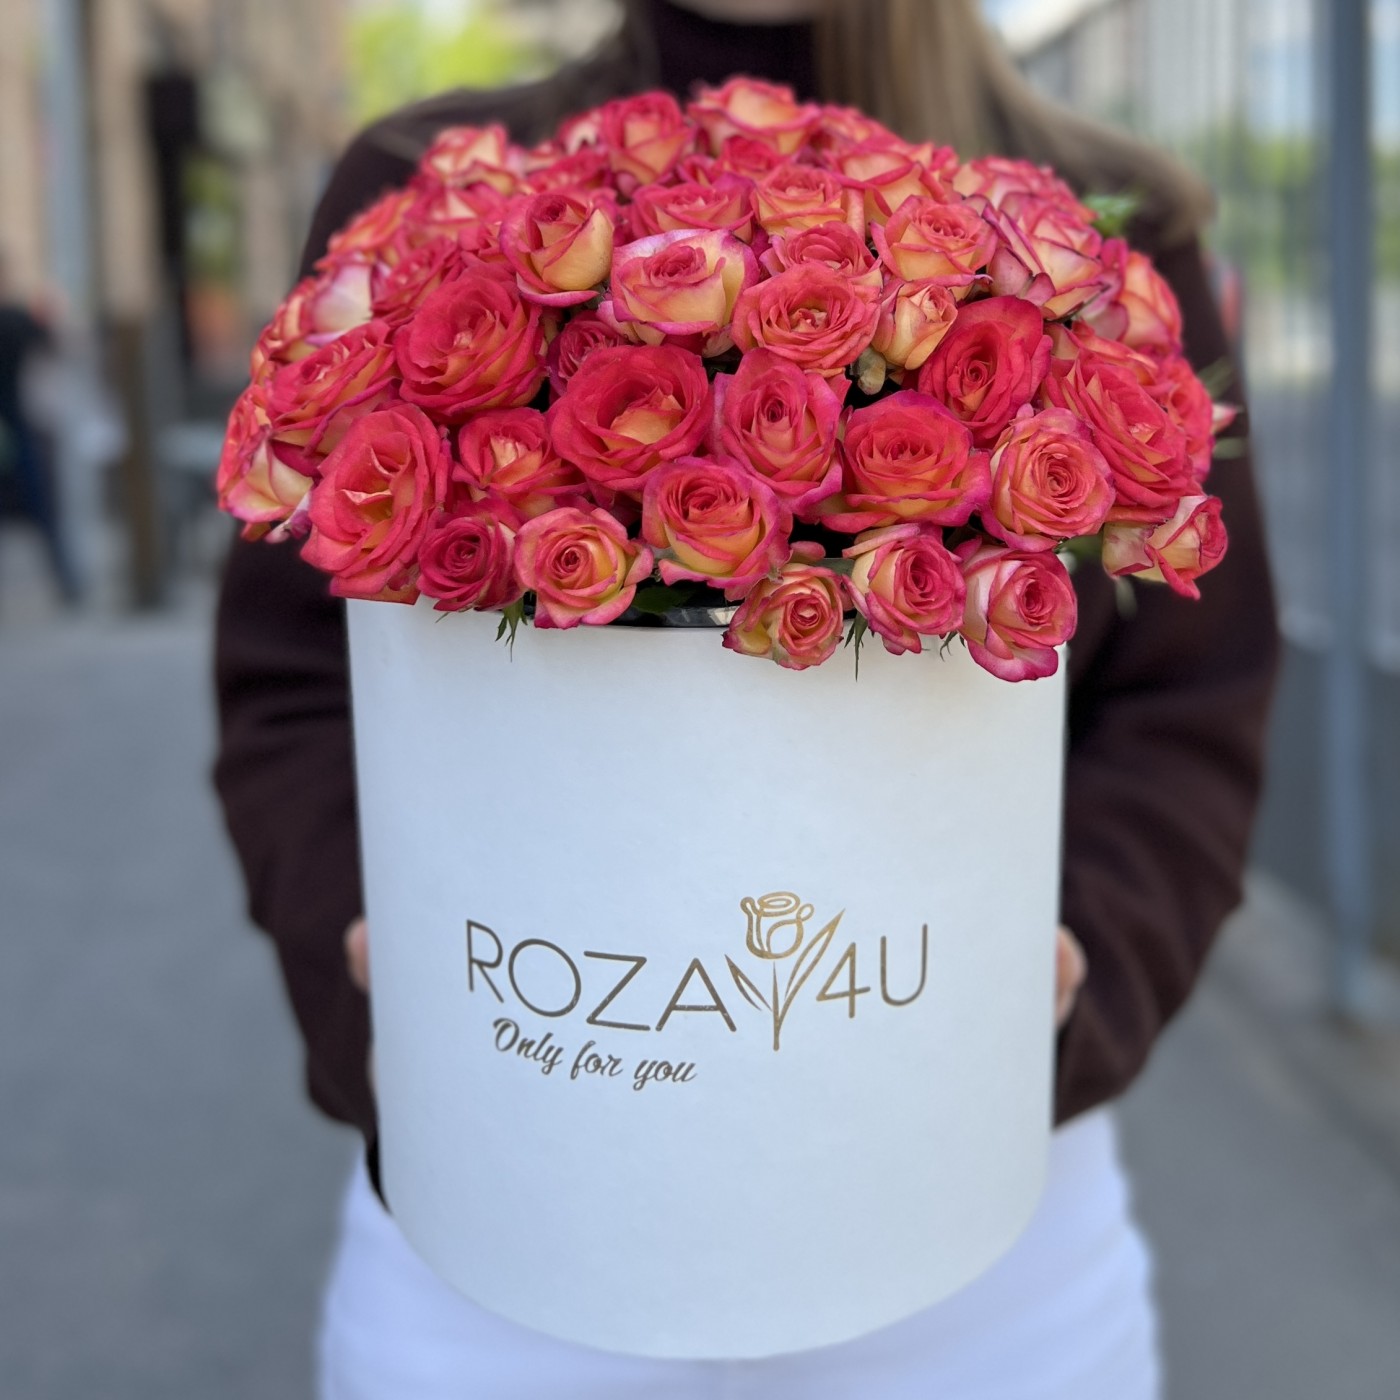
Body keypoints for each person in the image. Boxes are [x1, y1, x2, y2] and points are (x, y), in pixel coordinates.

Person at [213, 1, 1279, 1395]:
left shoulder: (1097, 240)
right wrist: (385, 989)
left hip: (972, 1240)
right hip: (516, 1209)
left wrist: (1074, 975)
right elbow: (293, 683)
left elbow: (1191, 706)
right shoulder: (427, 198)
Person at [0, 254, 79, 605]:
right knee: (45, 509)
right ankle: (68, 581)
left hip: (15, 425)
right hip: (17, 425)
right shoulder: (16, 318)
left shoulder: (15, 318)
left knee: (42, 508)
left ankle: (68, 580)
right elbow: (52, 346)